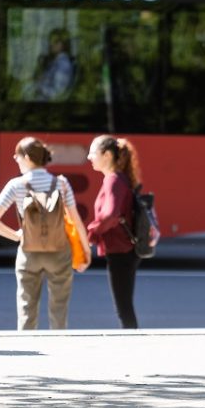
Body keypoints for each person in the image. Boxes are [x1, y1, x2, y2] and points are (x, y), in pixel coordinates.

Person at [0, 137, 90, 330]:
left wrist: (17, 236)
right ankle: (58, 350)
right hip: (59, 252)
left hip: (29, 253)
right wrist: (85, 250)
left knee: (27, 310)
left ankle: (28, 352)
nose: (15, 159)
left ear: (26, 157)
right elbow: (76, 220)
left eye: (17, 156)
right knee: (59, 311)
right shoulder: (62, 184)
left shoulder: (16, 185)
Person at [86, 135, 142, 329]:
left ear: (107, 155)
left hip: (120, 249)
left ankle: (132, 345)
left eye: (93, 152)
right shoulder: (118, 179)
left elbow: (110, 214)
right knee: (124, 305)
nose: (89, 157)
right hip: (125, 248)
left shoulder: (113, 180)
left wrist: (92, 233)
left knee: (123, 307)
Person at [33, 29, 76, 101]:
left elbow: (57, 94)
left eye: (55, 42)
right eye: (50, 41)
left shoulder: (63, 65)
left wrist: (38, 86)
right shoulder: (55, 61)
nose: (51, 44)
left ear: (62, 44)